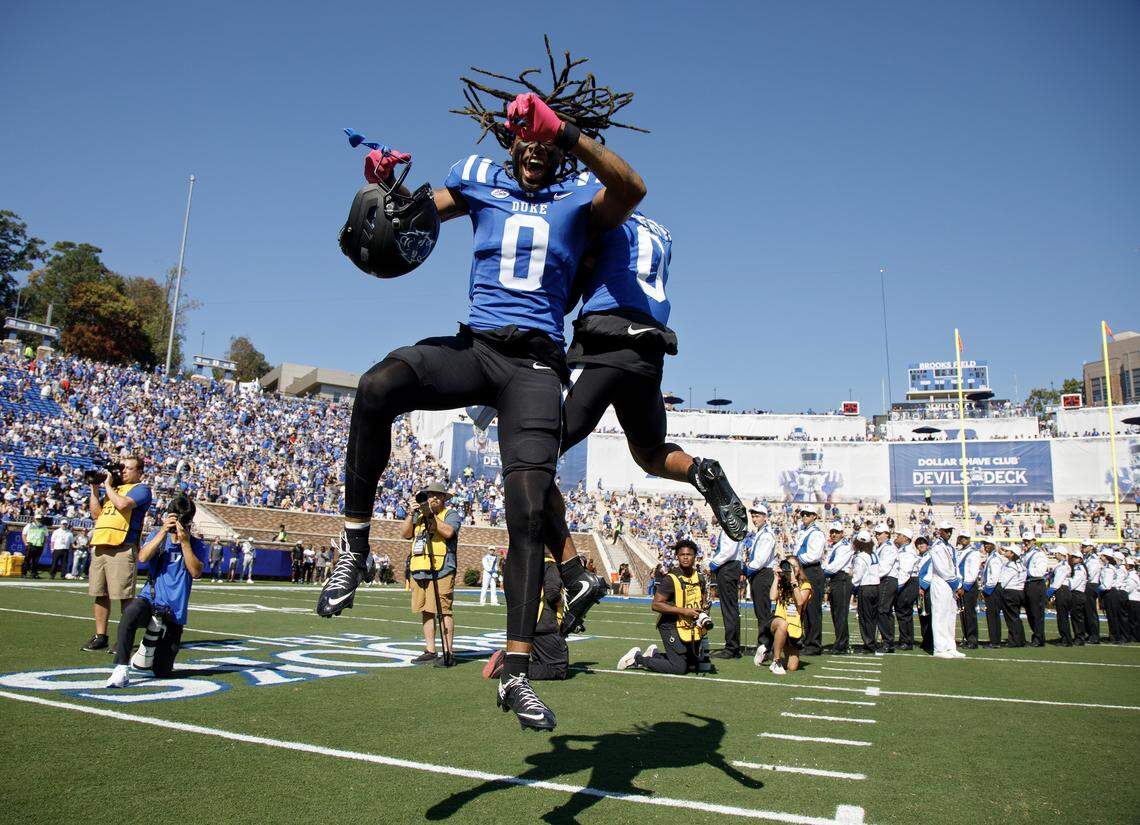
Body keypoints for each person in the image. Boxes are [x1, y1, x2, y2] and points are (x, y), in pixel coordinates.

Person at [320, 68, 648, 731]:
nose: (531, 149)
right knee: (377, 386)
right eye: (523, 137)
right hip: (477, 347)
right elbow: (413, 217)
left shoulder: (581, 194)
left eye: (542, 139)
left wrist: (567, 132)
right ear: (508, 138)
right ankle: (353, 547)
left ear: (553, 142)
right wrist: (386, 186)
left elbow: (631, 187)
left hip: (534, 365)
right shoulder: (479, 176)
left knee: (526, 508)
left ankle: (519, 671)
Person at [106, 494, 203, 688]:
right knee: (130, 613)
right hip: (151, 599)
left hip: (174, 610)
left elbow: (196, 571)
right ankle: (120, 669)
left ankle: (149, 643)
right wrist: (162, 532)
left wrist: (184, 542)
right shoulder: (158, 536)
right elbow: (142, 558)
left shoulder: (196, 544)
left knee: (162, 671)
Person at [83, 455, 152, 653]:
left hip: (122, 545)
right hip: (102, 543)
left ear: (139, 472)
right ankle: (100, 636)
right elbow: (96, 514)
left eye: (128, 468)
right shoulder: (114, 489)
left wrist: (108, 486)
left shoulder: (141, 489)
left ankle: (125, 639)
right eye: (122, 468)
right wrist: (95, 489)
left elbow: (123, 505)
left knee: (124, 595)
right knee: (99, 593)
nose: (123, 471)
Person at [617, 540, 709, 675]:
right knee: (679, 668)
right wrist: (683, 611)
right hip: (669, 624)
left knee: (692, 664)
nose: (685, 557)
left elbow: (702, 600)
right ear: (677, 556)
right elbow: (656, 604)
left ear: (695, 556)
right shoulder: (670, 579)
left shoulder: (700, 578)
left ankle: (654, 654)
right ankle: (636, 659)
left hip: (689, 625)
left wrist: (704, 610)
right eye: (681, 554)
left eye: (689, 554)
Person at [401, 482, 462, 668]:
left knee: (443, 610)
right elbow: (405, 534)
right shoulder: (418, 515)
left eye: (437, 495)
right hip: (420, 567)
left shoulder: (450, 514)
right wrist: (412, 513)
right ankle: (430, 650)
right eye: (429, 495)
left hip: (442, 567)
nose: (433, 498)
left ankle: (448, 652)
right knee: (426, 610)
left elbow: (449, 532)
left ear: (444, 498)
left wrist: (430, 515)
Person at [485, 552, 568, 681]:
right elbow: (552, 594)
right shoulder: (549, 564)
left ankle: (509, 663)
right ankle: (507, 667)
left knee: (541, 663)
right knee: (557, 668)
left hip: (525, 623)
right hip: (544, 625)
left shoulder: (524, 563)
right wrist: (563, 600)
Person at [743, 504, 778, 665]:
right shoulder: (759, 534)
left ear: (765, 517)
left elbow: (760, 560)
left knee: (763, 612)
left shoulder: (766, 535)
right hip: (758, 573)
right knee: (760, 611)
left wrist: (747, 569)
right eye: (754, 516)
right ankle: (764, 644)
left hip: (763, 574)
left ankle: (765, 645)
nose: (755, 519)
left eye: (758, 516)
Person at [767, 557, 812, 674]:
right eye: (789, 566)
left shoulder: (805, 585)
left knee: (792, 667)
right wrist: (776, 578)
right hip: (778, 621)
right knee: (783, 624)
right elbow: (772, 597)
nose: (792, 569)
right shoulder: (781, 581)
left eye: (794, 566)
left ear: (799, 569)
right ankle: (776, 661)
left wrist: (793, 581)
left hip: (793, 628)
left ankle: (767, 651)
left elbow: (800, 601)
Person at [792, 504, 827, 656]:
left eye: (808, 514)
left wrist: (795, 559)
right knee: (803, 608)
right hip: (803, 570)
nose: (804, 516)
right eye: (803, 514)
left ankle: (814, 644)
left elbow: (813, 555)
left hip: (811, 570)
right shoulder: (803, 531)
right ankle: (806, 640)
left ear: (814, 516)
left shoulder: (817, 533)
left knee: (812, 609)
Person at [929, 521, 964, 659]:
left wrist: (959, 582)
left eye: (950, 530)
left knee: (950, 616)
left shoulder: (949, 547)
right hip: (941, 583)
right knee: (940, 615)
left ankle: (950, 646)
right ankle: (939, 648)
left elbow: (955, 567)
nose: (949, 533)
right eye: (946, 530)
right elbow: (942, 568)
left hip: (951, 584)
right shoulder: (937, 546)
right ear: (940, 531)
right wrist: (956, 583)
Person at [708, 528, 742, 658]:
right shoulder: (730, 525)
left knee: (729, 609)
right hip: (729, 566)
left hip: (728, 567)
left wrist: (713, 564)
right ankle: (733, 646)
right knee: (730, 609)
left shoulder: (730, 525)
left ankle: (732, 648)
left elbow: (728, 551)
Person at [822, 521, 855, 655]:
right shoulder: (835, 546)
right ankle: (841, 641)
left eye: (836, 532)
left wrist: (821, 570)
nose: (834, 534)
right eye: (832, 532)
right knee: (836, 613)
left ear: (842, 533)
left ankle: (841, 644)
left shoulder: (844, 546)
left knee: (840, 613)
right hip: (836, 580)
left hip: (841, 579)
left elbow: (834, 566)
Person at [850, 530, 881, 655]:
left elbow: (857, 576)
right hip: (876, 586)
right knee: (873, 617)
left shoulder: (861, 556)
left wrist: (851, 587)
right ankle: (871, 641)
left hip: (866, 587)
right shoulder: (873, 554)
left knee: (865, 617)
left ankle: (869, 644)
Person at [893, 529, 921, 650]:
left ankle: (906, 641)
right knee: (903, 612)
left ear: (906, 538)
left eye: (899, 535)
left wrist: (897, 586)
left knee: (903, 612)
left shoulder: (907, 551)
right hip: (908, 582)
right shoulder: (904, 550)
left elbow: (905, 571)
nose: (897, 537)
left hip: (908, 582)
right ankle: (905, 639)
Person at [873, 522, 898, 653]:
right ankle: (888, 641)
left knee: (883, 610)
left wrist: (872, 576)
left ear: (887, 534)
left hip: (887, 579)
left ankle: (887, 642)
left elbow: (884, 568)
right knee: (885, 611)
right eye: (876, 534)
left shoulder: (888, 548)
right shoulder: (881, 547)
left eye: (879, 533)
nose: (877, 536)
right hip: (884, 579)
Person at [1021, 534, 1048, 646]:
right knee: (1030, 612)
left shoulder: (1039, 554)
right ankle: (1037, 636)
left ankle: (1039, 638)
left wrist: (1024, 570)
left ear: (1034, 541)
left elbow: (1039, 572)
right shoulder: (1026, 554)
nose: (1026, 542)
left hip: (1035, 583)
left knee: (1036, 613)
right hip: (1028, 584)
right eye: (1024, 540)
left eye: (1028, 541)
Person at [999, 545, 1027, 648]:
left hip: (1010, 592)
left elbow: (1004, 581)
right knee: (1016, 617)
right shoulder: (1021, 565)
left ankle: (1015, 640)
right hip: (1019, 592)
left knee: (1011, 618)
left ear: (1012, 554)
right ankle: (1019, 639)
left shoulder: (1011, 566)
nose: (1005, 551)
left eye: (1007, 550)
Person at [956, 537, 982, 649]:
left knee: (969, 614)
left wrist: (965, 587)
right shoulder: (961, 552)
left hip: (969, 586)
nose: (963, 540)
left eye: (965, 538)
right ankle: (966, 637)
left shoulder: (974, 552)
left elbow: (973, 572)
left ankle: (972, 640)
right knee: (963, 613)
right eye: (961, 538)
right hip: (961, 586)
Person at [980, 539, 1005, 648]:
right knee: (992, 616)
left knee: (992, 616)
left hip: (993, 589)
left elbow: (994, 578)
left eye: (988, 544)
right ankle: (995, 640)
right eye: (985, 544)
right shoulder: (992, 556)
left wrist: (986, 590)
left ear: (993, 545)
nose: (985, 546)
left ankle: (995, 641)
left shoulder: (994, 558)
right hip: (993, 588)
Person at [1047, 549, 1073, 647]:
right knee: (1061, 616)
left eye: (1056, 553)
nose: (1055, 555)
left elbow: (1057, 582)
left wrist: (1048, 593)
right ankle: (1064, 637)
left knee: (1062, 616)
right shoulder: (1061, 565)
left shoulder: (1062, 566)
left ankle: (1066, 639)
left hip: (1062, 590)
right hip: (1061, 590)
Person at [1081, 543, 1102, 644]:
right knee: (1085, 611)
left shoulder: (1093, 559)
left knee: (1090, 611)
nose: (1083, 548)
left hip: (1090, 585)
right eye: (1083, 546)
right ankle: (1090, 633)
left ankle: (1094, 635)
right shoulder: (1086, 558)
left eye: (1085, 546)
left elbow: (1090, 574)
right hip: (1086, 584)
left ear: (1091, 547)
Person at [1066, 547, 1088, 645]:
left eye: (1076, 557)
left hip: (1077, 594)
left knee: (1077, 617)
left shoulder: (1079, 569)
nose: (1073, 559)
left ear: (1080, 559)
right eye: (1073, 557)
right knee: (1076, 617)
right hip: (1077, 594)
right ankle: (1078, 636)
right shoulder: (1076, 567)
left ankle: (1080, 637)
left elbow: (1074, 583)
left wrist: (1065, 581)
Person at [20, 514, 48, 579]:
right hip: (30, 545)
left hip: (39, 546)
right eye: (37, 519)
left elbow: (46, 536)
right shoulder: (29, 525)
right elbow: (24, 534)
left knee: (35, 561)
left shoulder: (44, 527)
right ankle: (24, 574)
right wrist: (26, 543)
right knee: (27, 560)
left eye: (39, 519)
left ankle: (34, 574)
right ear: (34, 519)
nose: (38, 520)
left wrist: (43, 544)